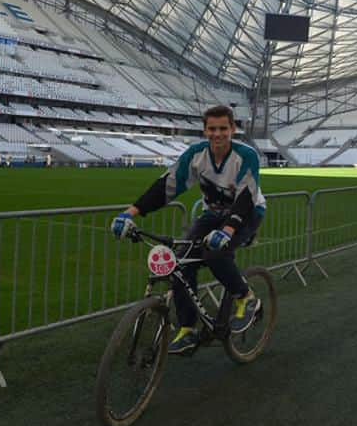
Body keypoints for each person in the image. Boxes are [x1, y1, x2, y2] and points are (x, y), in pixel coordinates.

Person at [111, 105, 264, 355]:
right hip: (212, 214)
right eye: (212, 129)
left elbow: (246, 197)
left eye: (223, 128)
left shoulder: (246, 155)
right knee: (180, 263)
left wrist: (226, 231)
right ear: (204, 130)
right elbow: (166, 187)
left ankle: (245, 297)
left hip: (247, 213)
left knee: (216, 254)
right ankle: (187, 328)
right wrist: (129, 213)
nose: (217, 134)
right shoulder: (196, 154)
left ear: (233, 129)